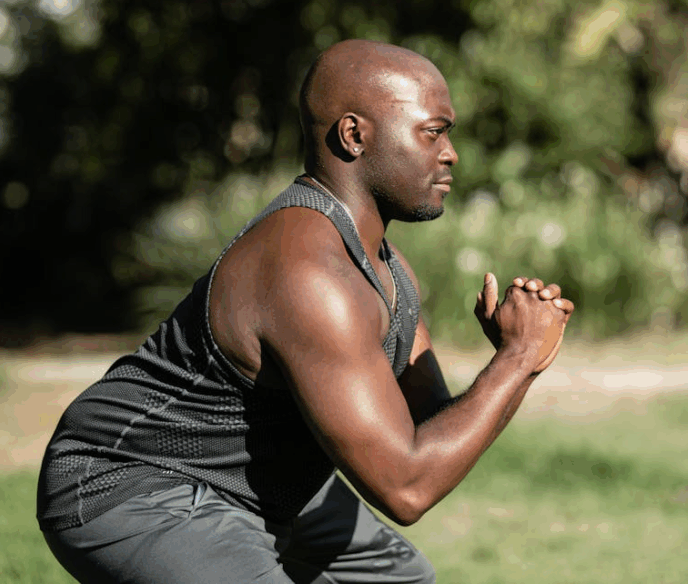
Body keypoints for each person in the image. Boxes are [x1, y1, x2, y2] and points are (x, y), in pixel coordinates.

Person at [37, 39, 575, 583]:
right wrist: (519, 358)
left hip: (253, 482)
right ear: (353, 135)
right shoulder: (309, 275)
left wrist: (512, 358)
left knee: (399, 580)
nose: (451, 153)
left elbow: (428, 429)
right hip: (138, 483)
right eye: (433, 132)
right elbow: (407, 487)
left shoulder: (389, 272)